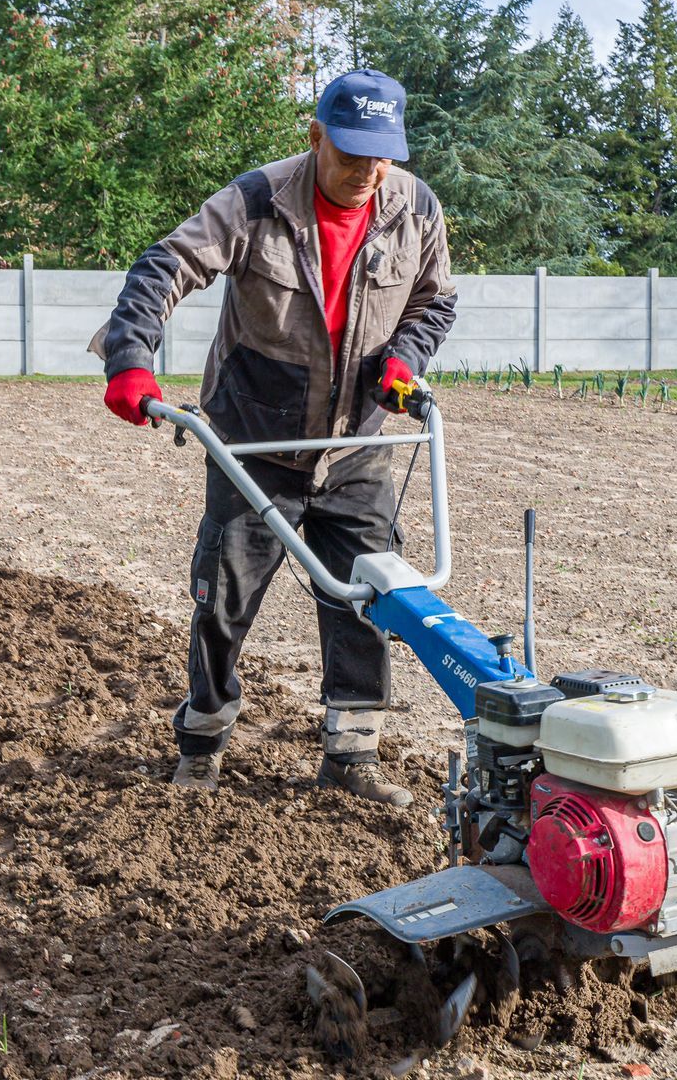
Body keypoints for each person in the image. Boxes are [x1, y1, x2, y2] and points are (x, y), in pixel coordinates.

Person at [92, 68, 457, 805]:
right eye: (352, 153)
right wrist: (132, 359)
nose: (368, 171)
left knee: (367, 595)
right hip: (253, 438)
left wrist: (402, 361)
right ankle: (202, 742)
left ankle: (351, 757)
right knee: (224, 594)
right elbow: (166, 265)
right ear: (315, 134)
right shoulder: (257, 201)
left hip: (355, 440)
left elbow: (434, 301)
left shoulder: (413, 207)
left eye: (382, 156)